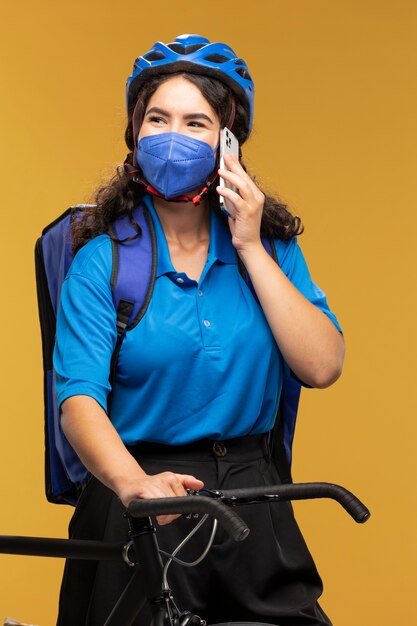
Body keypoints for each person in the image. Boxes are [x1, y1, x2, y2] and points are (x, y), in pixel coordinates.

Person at [54, 34, 345, 626]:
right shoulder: (101, 262)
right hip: (138, 495)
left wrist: (250, 244)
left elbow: (321, 366)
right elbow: (77, 400)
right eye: (158, 119)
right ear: (134, 133)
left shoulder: (272, 250)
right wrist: (135, 486)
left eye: (196, 123)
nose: (172, 136)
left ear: (228, 141)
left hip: (251, 498)